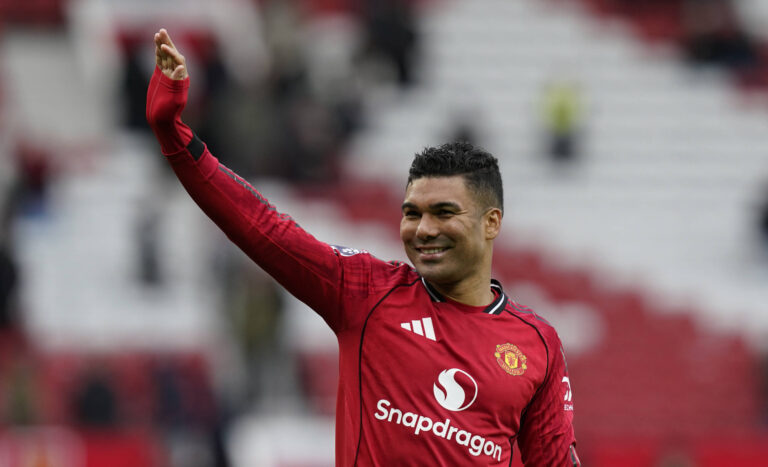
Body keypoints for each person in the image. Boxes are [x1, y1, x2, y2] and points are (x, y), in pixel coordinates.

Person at [147, 28, 580, 466]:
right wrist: (175, 137)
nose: (423, 229)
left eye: (444, 213)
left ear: (491, 223)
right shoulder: (367, 292)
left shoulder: (536, 344)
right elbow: (263, 226)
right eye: (412, 213)